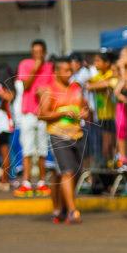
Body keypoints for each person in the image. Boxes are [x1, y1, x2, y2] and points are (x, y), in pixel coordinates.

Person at [38, 58, 89, 223]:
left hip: (77, 134)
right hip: (57, 135)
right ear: (56, 72)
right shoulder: (49, 90)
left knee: (74, 173)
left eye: (71, 70)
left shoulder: (76, 88)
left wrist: (83, 113)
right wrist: (62, 113)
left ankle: (62, 208)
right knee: (66, 171)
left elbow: (83, 108)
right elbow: (42, 114)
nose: (69, 74)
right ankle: (71, 210)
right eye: (66, 70)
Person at [16, 40, 53, 197]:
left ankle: (42, 182)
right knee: (28, 149)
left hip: (44, 115)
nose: (37, 55)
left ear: (45, 53)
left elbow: (52, 90)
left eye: (40, 52)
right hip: (28, 113)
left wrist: (44, 92)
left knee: (43, 150)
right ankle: (26, 183)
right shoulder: (25, 65)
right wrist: (35, 69)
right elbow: (25, 86)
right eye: (34, 52)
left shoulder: (51, 68)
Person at [86, 52, 119, 167]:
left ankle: (111, 169)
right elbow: (88, 83)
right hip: (100, 116)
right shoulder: (100, 74)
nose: (95, 64)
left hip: (111, 116)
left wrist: (97, 85)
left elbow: (109, 82)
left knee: (109, 147)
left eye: (98, 61)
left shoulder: (112, 73)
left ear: (107, 63)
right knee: (105, 147)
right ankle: (109, 169)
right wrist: (99, 84)